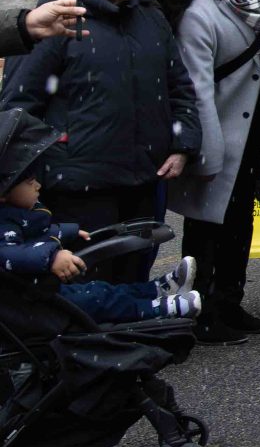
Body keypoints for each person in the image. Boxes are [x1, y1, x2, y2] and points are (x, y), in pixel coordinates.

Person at [1, 0, 197, 285]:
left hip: (144, 176)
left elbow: (178, 85)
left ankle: (139, 319)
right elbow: (19, 104)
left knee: (135, 272)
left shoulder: (150, 15)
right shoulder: (58, 19)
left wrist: (183, 144)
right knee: (87, 279)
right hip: (77, 184)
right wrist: (28, 175)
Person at [168, 0, 260, 342]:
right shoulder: (201, 11)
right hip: (218, 137)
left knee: (240, 223)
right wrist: (208, 154)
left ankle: (230, 304)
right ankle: (198, 311)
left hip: (258, 131)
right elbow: (198, 89)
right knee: (205, 229)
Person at [0, 109, 202, 322]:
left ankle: (156, 289)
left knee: (101, 289)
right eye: (29, 182)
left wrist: (68, 231)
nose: (37, 185)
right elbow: (9, 253)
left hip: (41, 289)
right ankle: (158, 308)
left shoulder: (17, 212)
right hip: (37, 299)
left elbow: (36, 233)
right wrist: (51, 257)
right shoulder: (5, 222)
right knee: (99, 300)